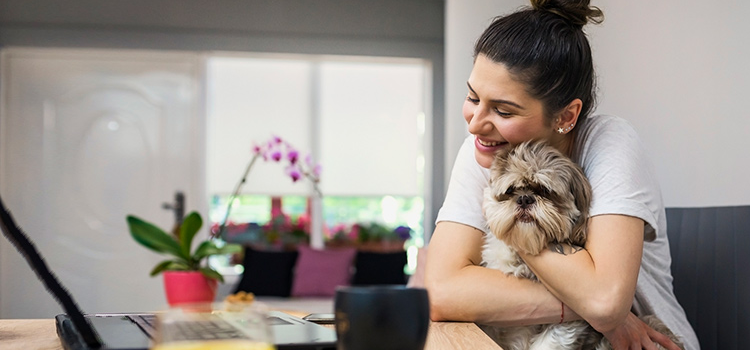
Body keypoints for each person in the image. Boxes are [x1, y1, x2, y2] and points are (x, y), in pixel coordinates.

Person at [423, 1, 700, 349]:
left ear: (567, 116)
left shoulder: (609, 142)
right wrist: (595, 310)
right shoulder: (483, 148)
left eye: (503, 110)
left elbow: (603, 299)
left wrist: (604, 309)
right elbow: (441, 291)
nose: (476, 122)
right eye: (473, 97)